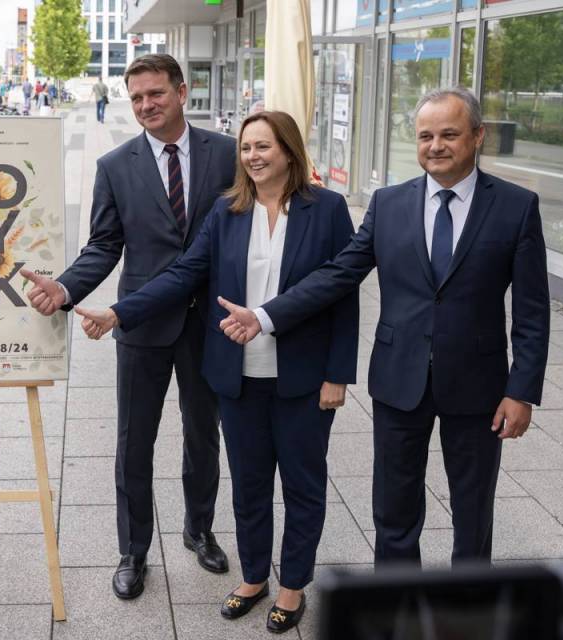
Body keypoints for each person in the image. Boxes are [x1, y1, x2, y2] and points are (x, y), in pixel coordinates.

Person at [219, 87, 551, 567]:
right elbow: (339, 274)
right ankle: (395, 597)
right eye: (425, 136)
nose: (435, 146)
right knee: (394, 508)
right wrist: (265, 316)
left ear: (478, 136)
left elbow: (533, 311)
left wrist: (521, 391)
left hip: (478, 383)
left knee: (473, 507)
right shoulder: (389, 203)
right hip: (398, 379)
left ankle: (468, 598)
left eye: (449, 134)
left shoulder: (516, 206)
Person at [75, 111, 358, 633]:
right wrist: (118, 313)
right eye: (246, 148)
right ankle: (254, 578)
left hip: (303, 375)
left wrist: (338, 373)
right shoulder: (228, 211)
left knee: (303, 485)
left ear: (288, 150)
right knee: (248, 484)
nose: (252, 156)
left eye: (263, 146)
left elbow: (343, 292)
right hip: (238, 376)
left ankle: (293, 586)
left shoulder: (327, 209)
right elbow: (184, 273)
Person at [19, 54, 237, 600]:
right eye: (136, 97)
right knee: (134, 441)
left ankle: (199, 529)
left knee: (203, 434)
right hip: (142, 321)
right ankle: (133, 549)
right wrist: (65, 288)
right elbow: (104, 244)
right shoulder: (116, 166)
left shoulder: (227, 153)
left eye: (155, 93)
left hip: (209, 322)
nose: (145, 105)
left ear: (181, 92)